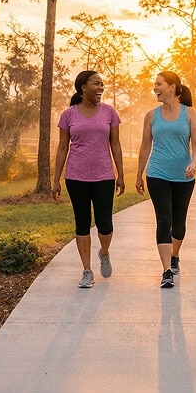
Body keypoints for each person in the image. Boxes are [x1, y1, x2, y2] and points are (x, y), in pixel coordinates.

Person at [52, 70, 125, 288]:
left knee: (105, 223)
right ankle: (86, 270)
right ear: (83, 87)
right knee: (82, 223)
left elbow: (116, 145)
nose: (101, 87)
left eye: (102, 84)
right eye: (96, 84)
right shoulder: (68, 115)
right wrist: (55, 180)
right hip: (76, 176)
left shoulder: (109, 112)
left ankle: (104, 252)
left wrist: (121, 174)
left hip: (104, 176)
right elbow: (63, 147)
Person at [135, 71, 196, 288]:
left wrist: (194, 163)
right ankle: (166, 271)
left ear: (172, 87)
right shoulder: (151, 115)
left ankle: (175, 255)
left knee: (179, 224)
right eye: (154, 84)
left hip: (183, 175)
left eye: (158, 84)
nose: (155, 88)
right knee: (163, 220)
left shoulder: (190, 113)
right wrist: (139, 174)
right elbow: (145, 146)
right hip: (157, 173)